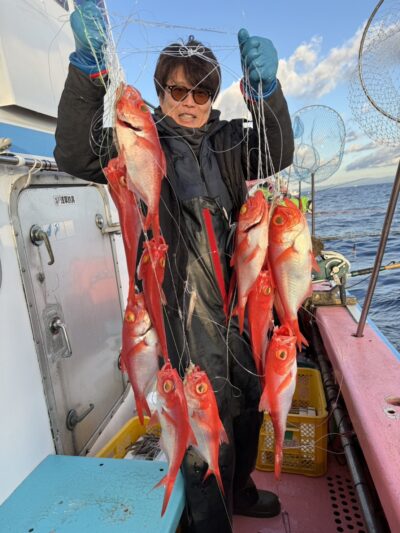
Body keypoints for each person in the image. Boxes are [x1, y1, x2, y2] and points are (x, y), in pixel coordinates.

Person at [54, 2, 294, 531]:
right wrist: (87, 72)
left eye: (202, 92)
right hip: (179, 311)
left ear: (214, 97)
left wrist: (267, 93)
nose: (189, 103)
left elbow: (276, 151)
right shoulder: (138, 136)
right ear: (160, 92)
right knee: (202, 423)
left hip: (238, 301)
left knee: (249, 407)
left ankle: (241, 489)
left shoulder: (232, 141)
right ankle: (212, 521)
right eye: (178, 91)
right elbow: (74, 154)